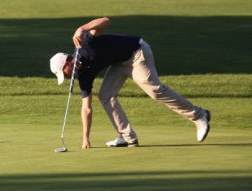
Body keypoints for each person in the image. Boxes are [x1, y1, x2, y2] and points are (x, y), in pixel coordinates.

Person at [49, 17, 211, 148]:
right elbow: (86, 108)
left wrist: (83, 28)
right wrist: (85, 138)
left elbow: (106, 21)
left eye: (65, 73)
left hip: (136, 52)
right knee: (105, 95)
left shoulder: (85, 43)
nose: (68, 77)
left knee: (155, 90)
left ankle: (199, 115)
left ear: (68, 63)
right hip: (119, 63)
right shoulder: (83, 75)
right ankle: (127, 137)